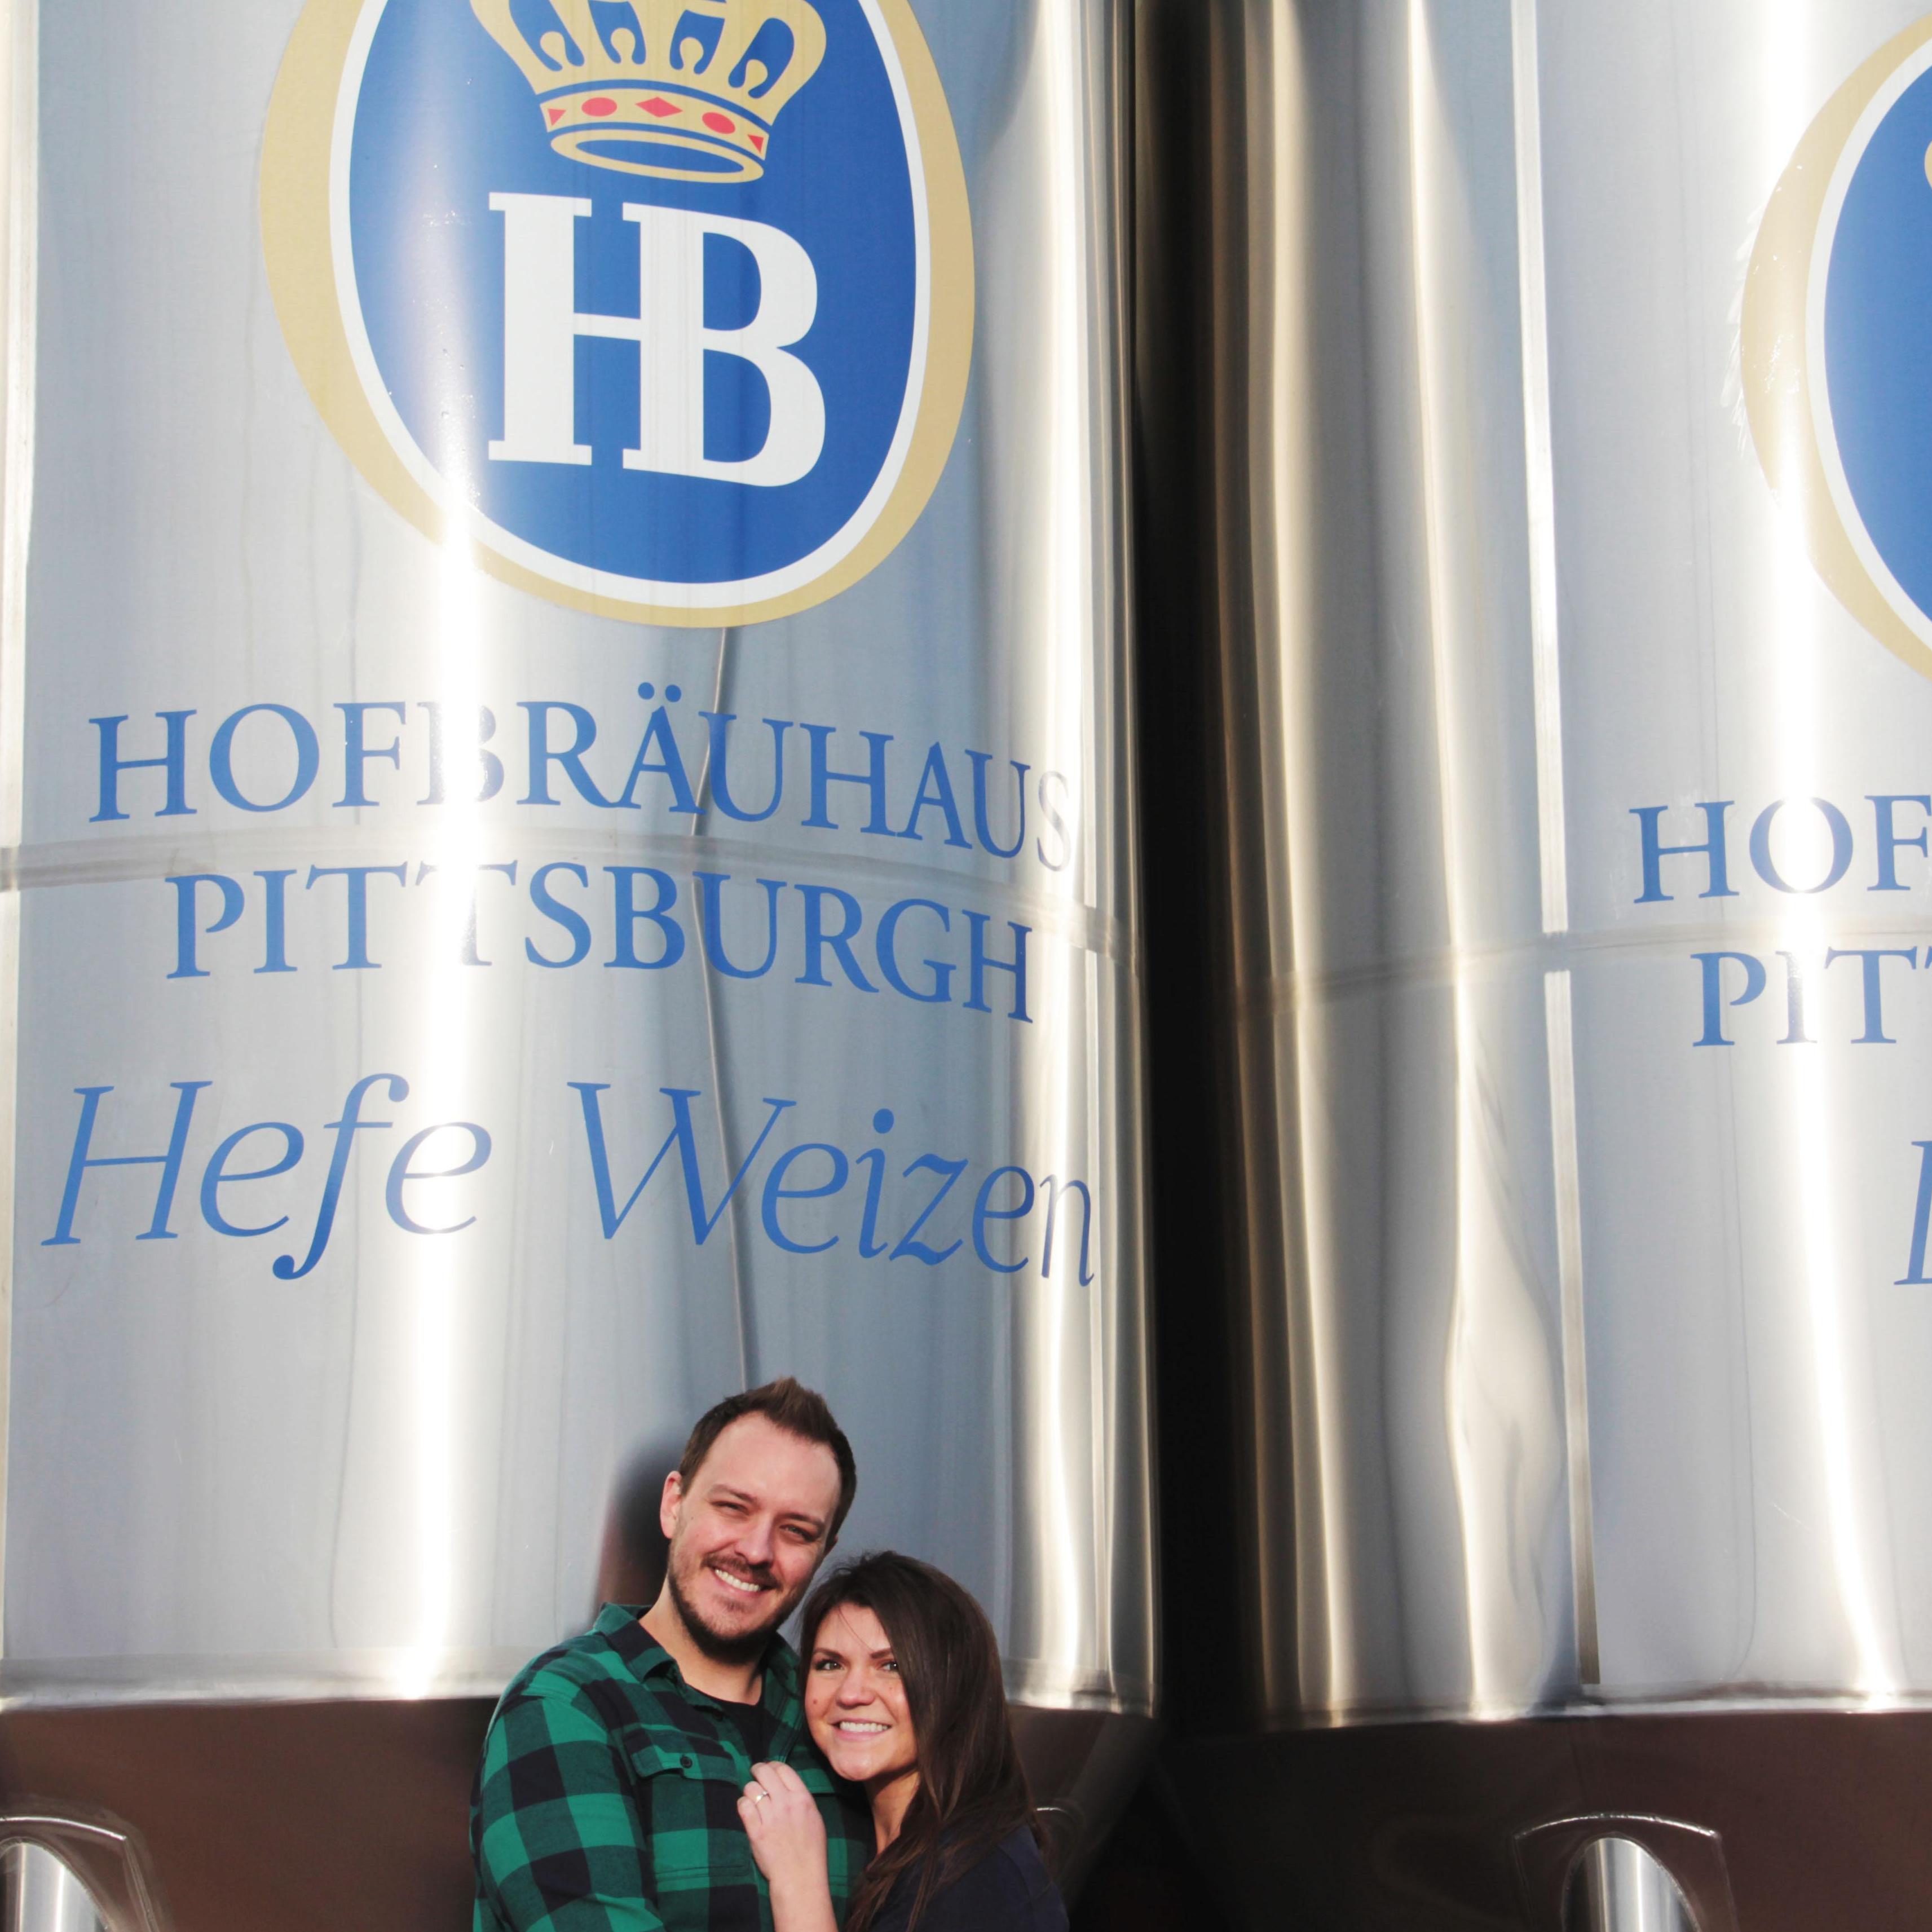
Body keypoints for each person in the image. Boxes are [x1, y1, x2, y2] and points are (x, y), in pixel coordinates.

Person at [472, 1377, 875, 1931]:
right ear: (673, 1505)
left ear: (824, 1552)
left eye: (796, 1531)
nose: (757, 1550)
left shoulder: (842, 1726)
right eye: (733, 1507)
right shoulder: (565, 1704)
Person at [735, 1552, 1068, 1932]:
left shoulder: (980, 1877)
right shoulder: (895, 1853)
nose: (851, 1694)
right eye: (830, 1664)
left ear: (954, 1687)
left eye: (891, 1666)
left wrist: (798, 1885)